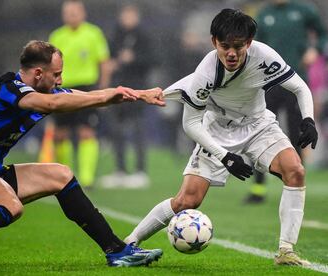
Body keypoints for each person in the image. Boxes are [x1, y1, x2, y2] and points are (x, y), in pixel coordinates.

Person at [0, 40, 165, 273]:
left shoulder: (37, 91)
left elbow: (82, 97)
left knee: (61, 175)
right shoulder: (7, 88)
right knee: (11, 206)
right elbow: (51, 105)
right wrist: (104, 96)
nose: (60, 79)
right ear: (38, 74)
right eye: (56, 74)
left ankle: (117, 250)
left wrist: (138, 94)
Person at [124, 9, 318, 266]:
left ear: (248, 43)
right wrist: (224, 157)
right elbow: (191, 124)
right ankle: (128, 242)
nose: (231, 53)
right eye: (225, 46)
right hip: (215, 131)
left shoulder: (263, 56)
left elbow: (299, 87)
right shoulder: (205, 72)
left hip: (258, 124)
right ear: (214, 41)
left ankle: (286, 250)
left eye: (238, 46)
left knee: (295, 170)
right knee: (187, 200)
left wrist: (308, 119)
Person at [244, 0, 327, 203]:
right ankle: (258, 189)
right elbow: (253, 46)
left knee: (297, 133)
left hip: (296, 82)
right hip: (268, 84)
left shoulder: (304, 10)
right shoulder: (263, 14)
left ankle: (296, 185)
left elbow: (323, 34)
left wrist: (314, 49)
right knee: (259, 133)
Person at [47, 0, 112, 188]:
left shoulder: (93, 33)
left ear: (82, 13)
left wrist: (103, 91)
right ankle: (64, 176)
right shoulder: (57, 36)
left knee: (86, 132)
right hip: (61, 88)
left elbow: (104, 63)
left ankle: (86, 178)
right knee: (60, 134)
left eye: (74, 12)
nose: (71, 15)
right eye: (67, 12)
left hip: (87, 87)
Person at [99, 4, 153, 188]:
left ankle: (140, 171)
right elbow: (107, 59)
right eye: (125, 15)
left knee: (138, 130)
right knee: (116, 130)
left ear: (136, 16)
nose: (127, 18)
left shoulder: (144, 36)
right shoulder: (115, 35)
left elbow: (154, 60)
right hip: (118, 89)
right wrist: (113, 64)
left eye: (131, 15)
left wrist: (134, 58)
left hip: (138, 90)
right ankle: (120, 170)